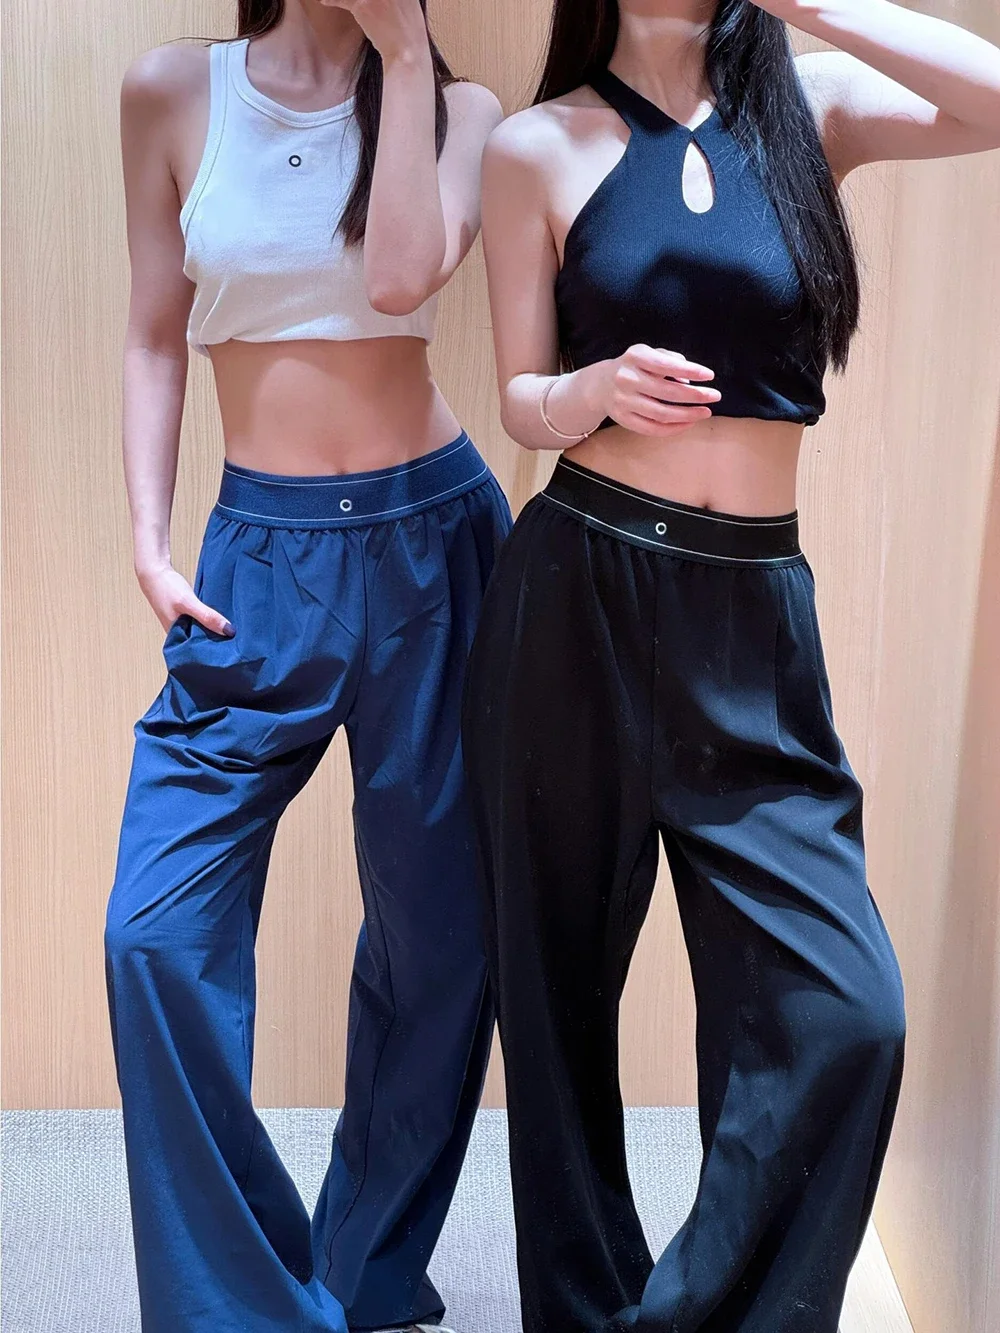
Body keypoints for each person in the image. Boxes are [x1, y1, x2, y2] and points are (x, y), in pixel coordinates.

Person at [461, 2, 1000, 1331]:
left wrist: (809, 6)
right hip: (577, 589)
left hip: (753, 612)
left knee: (846, 1012)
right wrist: (587, 393)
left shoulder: (810, 110)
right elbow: (518, 390)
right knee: (557, 1004)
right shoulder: (537, 144)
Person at [103, 2, 508, 1330]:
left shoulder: (462, 113)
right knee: (155, 935)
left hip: (436, 544)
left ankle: (368, 1266)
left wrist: (405, 54)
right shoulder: (173, 92)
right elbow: (153, 331)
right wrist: (151, 539)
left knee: (444, 931)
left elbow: (399, 283)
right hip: (257, 560)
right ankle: (249, 1305)